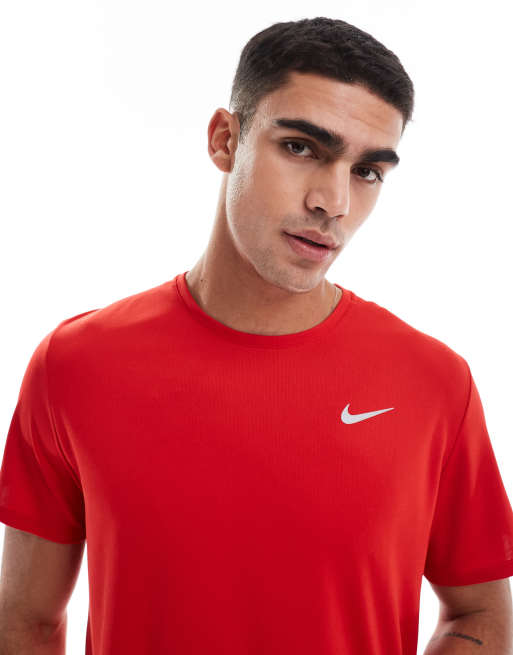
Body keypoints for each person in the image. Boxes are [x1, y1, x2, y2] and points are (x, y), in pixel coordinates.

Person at [0, 15, 512, 655]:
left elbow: (481, 613)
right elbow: (25, 620)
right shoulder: (75, 365)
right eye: (301, 147)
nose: (333, 202)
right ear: (225, 140)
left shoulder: (433, 382)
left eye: (367, 171)